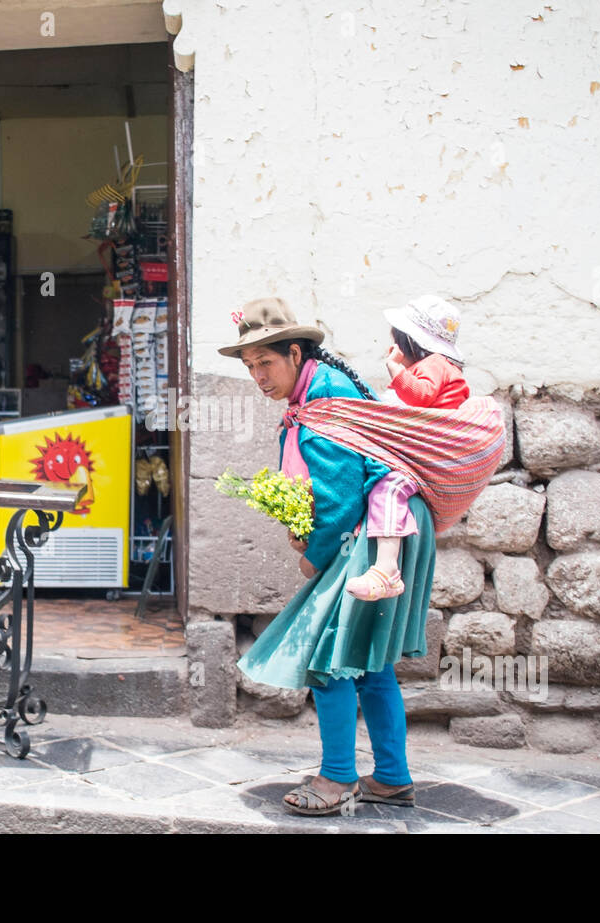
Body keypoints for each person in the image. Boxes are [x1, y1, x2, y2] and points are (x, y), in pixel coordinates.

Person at [219, 297, 437, 816]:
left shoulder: (323, 404)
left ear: (295, 353)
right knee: (369, 662)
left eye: (265, 363)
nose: (258, 377)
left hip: (373, 531)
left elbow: (338, 501)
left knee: (330, 657)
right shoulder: (318, 392)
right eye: (249, 368)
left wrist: (314, 556)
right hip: (390, 526)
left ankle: (338, 776)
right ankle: (391, 777)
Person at [345, 295, 469, 601]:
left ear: (409, 341)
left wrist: (394, 368)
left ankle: (386, 571)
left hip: (429, 455)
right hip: (425, 449)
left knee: (388, 488)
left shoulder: (435, 365)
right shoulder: (437, 366)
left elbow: (421, 396)